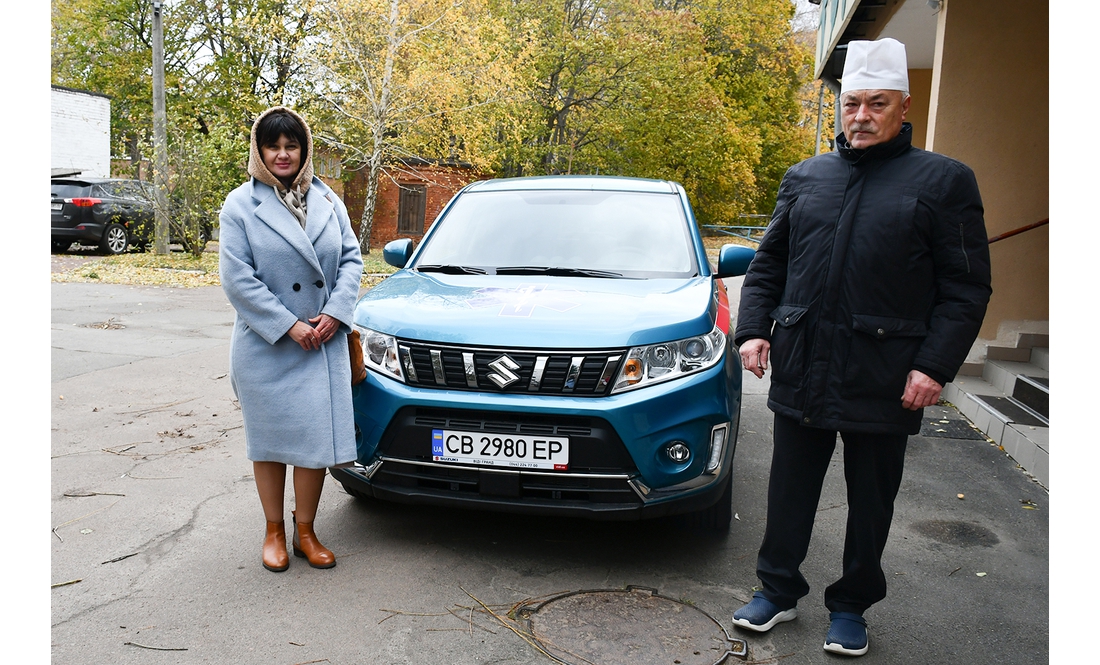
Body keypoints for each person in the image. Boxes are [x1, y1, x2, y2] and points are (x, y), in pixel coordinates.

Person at [730, 38, 991, 656]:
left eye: (877, 103)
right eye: (852, 104)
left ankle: (851, 605)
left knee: (872, 501)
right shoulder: (806, 177)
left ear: (905, 104)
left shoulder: (944, 181)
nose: (861, 116)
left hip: (887, 373)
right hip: (803, 364)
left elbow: (966, 287)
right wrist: (754, 328)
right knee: (789, 489)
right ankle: (777, 591)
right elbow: (769, 265)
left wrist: (934, 365)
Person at [219, 106, 364, 572]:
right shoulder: (240, 204)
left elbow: (351, 262)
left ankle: (306, 532)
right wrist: (289, 324)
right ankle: (274, 532)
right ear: (260, 152)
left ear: (304, 150)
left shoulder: (329, 201)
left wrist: (334, 315)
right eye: (273, 146)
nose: (283, 154)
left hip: (322, 341)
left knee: (313, 442)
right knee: (270, 442)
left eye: (291, 145)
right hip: (268, 344)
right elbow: (237, 279)